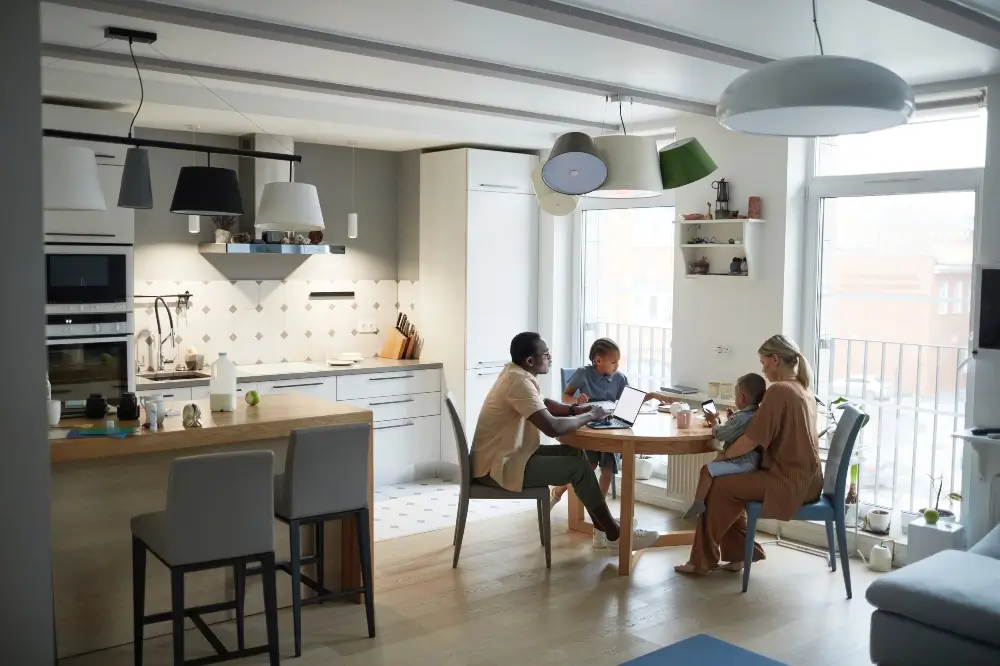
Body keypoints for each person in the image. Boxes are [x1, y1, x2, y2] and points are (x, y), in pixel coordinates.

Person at [471, 332, 661, 553]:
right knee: (578, 468)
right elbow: (553, 428)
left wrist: (576, 409)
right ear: (530, 361)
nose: (550, 358)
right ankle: (616, 535)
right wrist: (590, 416)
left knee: (575, 454)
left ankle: (604, 527)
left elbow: (543, 403)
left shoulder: (515, 373)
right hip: (496, 467)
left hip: (505, 456)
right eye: (546, 354)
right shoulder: (519, 382)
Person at [674, 334, 823, 576]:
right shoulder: (803, 389)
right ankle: (741, 554)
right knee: (728, 486)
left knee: (720, 486)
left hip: (789, 481)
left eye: (763, 363)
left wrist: (725, 456)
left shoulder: (780, 391)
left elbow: (752, 439)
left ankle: (702, 560)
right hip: (808, 479)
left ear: (775, 359)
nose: (763, 370)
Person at [551, 337, 676, 549]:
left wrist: (653, 395)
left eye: (618, 361)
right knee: (587, 468)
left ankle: (600, 527)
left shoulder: (619, 378)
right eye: (614, 361)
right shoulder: (583, 373)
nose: (617, 366)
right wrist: (577, 402)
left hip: (610, 427)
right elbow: (565, 397)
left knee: (607, 471)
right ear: (598, 360)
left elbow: (629, 400)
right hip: (589, 427)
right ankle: (558, 490)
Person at [683, 372, 767, 521]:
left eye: (736, 397)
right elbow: (738, 430)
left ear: (741, 397)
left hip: (742, 463)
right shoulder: (755, 414)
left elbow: (720, 434)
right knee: (714, 465)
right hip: (751, 461)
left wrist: (714, 421)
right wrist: (732, 419)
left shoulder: (741, 418)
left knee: (706, 470)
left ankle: (698, 503)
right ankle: (703, 504)